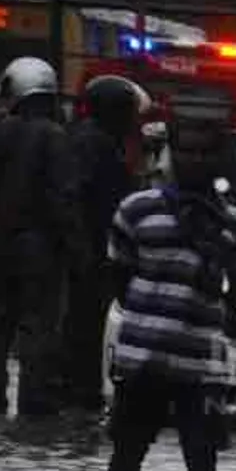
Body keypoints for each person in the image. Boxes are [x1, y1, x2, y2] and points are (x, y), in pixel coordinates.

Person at [105, 100, 236, 471]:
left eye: (206, 153)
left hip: (202, 366)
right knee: (127, 451)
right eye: (187, 150)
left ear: (219, 157)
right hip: (141, 358)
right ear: (172, 151)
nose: (196, 160)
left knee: (202, 457)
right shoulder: (135, 210)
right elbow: (119, 276)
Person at [0, 56, 83, 417]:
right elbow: (63, 198)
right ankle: (34, 402)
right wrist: (79, 251)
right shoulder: (54, 136)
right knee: (38, 326)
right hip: (40, 250)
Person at [61, 75, 150, 411]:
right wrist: (84, 250)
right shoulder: (91, 144)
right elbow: (84, 199)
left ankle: (82, 390)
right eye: (128, 113)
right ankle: (79, 392)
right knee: (85, 325)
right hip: (89, 254)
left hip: (95, 252)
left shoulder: (99, 141)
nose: (132, 121)